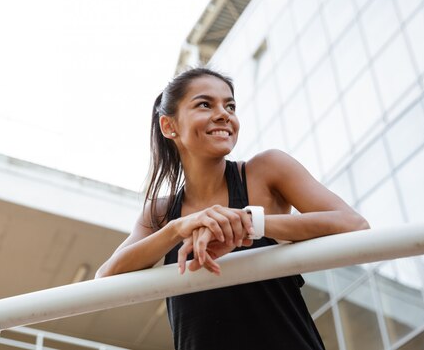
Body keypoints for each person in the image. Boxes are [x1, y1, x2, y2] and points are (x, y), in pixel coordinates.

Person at [96, 68, 369, 349]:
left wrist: (249, 222)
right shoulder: (161, 213)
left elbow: (354, 224)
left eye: (230, 106)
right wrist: (178, 227)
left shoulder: (266, 170)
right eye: (205, 104)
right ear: (169, 126)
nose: (224, 114)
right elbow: (105, 278)